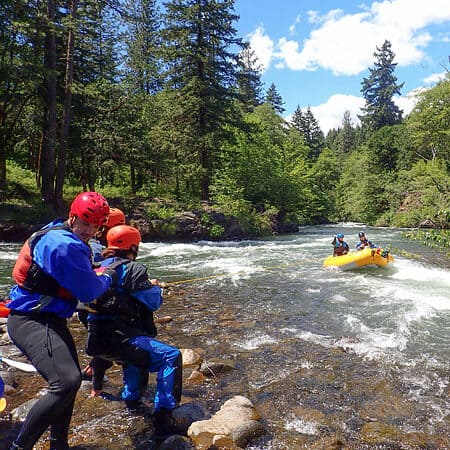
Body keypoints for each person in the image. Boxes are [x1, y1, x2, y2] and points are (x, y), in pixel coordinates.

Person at [6, 192, 120, 450]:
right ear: (73, 217)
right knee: (66, 381)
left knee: (71, 382)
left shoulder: (58, 231)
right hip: (32, 320)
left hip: (48, 318)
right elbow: (89, 292)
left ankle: (60, 445)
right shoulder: (63, 244)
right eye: (85, 223)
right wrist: (109, 277)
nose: (89, 231)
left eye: (96, 226)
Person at [85, 225, 182, 433]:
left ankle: (132, 402)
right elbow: (154, 302)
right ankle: (164, 415)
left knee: (134, 353)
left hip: (95, 340)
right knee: (171, 357)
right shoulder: (133, 269)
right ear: (132, 247)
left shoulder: (96, 266)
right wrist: (154, 286)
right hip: (120, 338)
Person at [80, 207, 127, 396]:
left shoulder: (90, 244)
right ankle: (96, 388)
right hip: (96, 307)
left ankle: (93, 376)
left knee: (100, 345)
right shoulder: (99, 251)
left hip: (85, 306)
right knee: (104, 346)